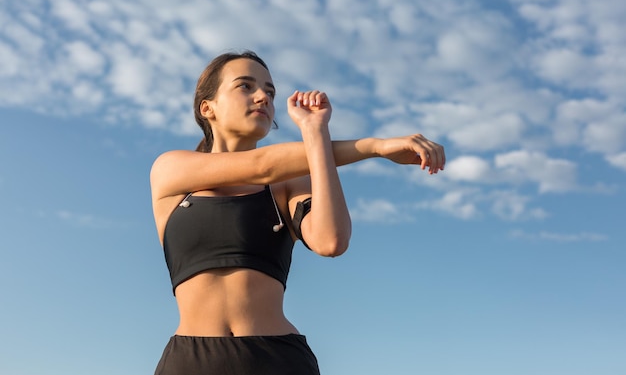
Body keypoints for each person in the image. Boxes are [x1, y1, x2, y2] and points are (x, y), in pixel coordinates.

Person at [150, 50, 445, 374]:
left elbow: (331, 241)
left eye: (270, 91)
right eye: (245, 86)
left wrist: (316, 132)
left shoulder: (288, 184)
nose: (263, 96)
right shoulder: (172, 170)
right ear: (208, 108)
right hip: (189, 362)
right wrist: (375, 146)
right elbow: (262, 166)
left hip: (277, 359)